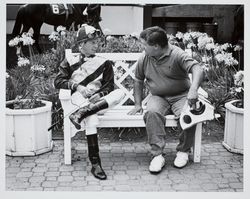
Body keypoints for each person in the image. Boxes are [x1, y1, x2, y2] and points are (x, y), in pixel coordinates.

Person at [128, 26, 204, 174]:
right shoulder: (145, 57)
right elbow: (138, 80)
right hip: (158, 97)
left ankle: (183, 152)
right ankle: (157, 156)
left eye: (144, 44)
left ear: (156, 46)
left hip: (181, 95)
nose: (142, 47)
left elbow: (197, 68)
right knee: (152, 113)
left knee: (188, 113)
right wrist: (137, 104)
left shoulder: (176, 54)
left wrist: (193, 89)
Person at [54, 24, 125, 180]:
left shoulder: (104, 62)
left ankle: (82, 113)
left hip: (99, 103)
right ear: (81, 44)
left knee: (120, 92)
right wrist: (78, 87)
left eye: (97, 42)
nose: (96, 45)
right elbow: (58, 81)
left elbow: (109, 86)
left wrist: (100, 95)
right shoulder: (69, 60)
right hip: (78, 101)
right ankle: (95, 163)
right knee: (91, 119)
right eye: (92, 42)